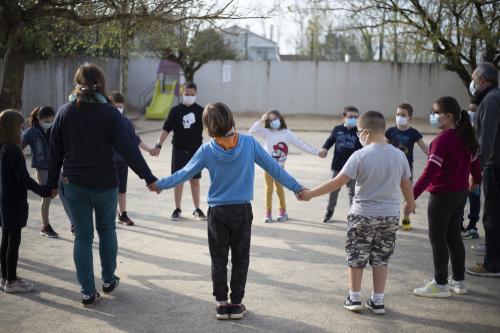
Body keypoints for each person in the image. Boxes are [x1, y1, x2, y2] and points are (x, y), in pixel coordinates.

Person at [150, 103, 305, 320]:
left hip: (217, 213)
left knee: (219, 258)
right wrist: (297, 188)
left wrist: (159, 184)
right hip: (242, 210)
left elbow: (183, 173)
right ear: (231, 119)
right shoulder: (249, 143)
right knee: (241, 258)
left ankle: (222, 304)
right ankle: (237, 302)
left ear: (208, 127)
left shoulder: (206, 150)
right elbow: (274, 168)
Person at [47, 64, 158, 306]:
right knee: (107, 230)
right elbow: (129, 149)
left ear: (77, 83)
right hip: (106, 184)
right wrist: (148, 177)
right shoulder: (109, 113)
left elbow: (54, 151)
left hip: (74, 184)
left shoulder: (65, 112)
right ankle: (108, 280)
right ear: (102, 84)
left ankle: (87, 291)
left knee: (83, 237)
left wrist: (51, 184)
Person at [298, 111, 415, 315]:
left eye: (360, 132)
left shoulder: (360, 155)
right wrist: (410, 205)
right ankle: (378, 301)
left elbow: (337, 182)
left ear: (367, 132)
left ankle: (354, 298)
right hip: (389, 216)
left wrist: (310, 194)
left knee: (356, 256)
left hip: (363, 214)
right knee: (381, 258)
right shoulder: (399, 155)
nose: (359, 135)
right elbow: (406, 185)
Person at [411, 97, 481, 298]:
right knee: (453, 237)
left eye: (436, 112)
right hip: (460, 195)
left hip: (442, 196)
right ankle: (458, 281)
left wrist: (411, 197)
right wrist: (476, 180)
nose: (432, 116)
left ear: (448, 116)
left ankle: (440, 283)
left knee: (438, 238)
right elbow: (476, 166)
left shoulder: (442, 140)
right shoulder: (465, 137)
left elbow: (429, 172)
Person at [0, 109, 52, 293]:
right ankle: (12, 281)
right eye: (20, 126)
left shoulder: (3, 147)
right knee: (13, 240)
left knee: (6, 238)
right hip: (13, 201)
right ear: (13, 127)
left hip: (4, 200)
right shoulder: (13, 150)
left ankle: (5, 277)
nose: (23, 129)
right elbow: (23, 178)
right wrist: (43, 190)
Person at [249, 109, 321, 222]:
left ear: (280, 118)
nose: (273, 121)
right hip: (268, 167)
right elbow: (252, 132)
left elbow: (301, 144)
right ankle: (268, 213)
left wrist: (317, 152)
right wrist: (261, 120)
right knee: (268, 190)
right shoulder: (267, 132)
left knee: (279, 189)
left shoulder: (287, 133)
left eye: (275, 119)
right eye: (270, 119)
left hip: (280, 167)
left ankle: (283, 211)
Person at [150, 82, 206, 221]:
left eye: (192, 94)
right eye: (187, 94)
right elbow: (166, 129)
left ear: (196, 94)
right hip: (179, 150)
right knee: (178, 180)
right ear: (182, 94)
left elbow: (209, 129)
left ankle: (197, 209)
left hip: (196, 152)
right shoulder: (175, 111)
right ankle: (177, 208)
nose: (189, 96)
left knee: (195, 180)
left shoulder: (201, 111)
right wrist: (158, 144)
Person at [466, 62, 500, 277]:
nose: (473, 83)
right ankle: (494, 250)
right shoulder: (495, 96)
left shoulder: (490, 100)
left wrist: (476, 172)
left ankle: (492, 264)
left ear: (482, 79)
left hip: (494, 166)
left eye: (474, 78)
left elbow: (486, 140)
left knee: (492, 216)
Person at [109, 91, 154, 226]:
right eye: (115, 106)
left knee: (122, 189)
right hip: (109, 162)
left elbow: (135, 140)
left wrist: (150, 150)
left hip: (123, 161)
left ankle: (123, 214)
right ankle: (111, 214)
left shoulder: (127, 123)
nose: (118, 109)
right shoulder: (105, 122)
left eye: (120, 106)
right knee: (111, 190)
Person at [385, 102, 428, 231]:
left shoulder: (414, 133)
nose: (399, 117)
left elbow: (427, 150)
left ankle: (406, 218)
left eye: (403, 115)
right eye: (398, 114)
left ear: (410, 118)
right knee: (390, 195)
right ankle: (390, 219)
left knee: (408, 195)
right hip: (391, 168)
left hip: (406, 169)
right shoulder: (390, 131)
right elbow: (383, 148)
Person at [319, 106, 362, 223]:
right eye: (350, 117)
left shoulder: (359, 132)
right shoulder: (337, 129)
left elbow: (365, 148)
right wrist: (324, 148)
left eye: (355, 117)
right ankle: (329, 211)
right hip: (337, 166)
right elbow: (330, 140)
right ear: (343, 118)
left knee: (352, 191)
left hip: (353, 167)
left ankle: (354, 214)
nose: (353, 119)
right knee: (333, 189)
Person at [21, 106, 59, 238]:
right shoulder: (31, 132)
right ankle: (46, 226)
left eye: (51, 121)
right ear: (39, 119)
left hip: (57, 167)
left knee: (66, 192)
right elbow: (19, 146)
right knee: (47, 197)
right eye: (46, 121)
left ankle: (74, 223)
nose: (49, 124)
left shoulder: (55, 129)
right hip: (42, 168)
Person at [461, 102, 481, 240]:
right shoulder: (464, 132)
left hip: (476, 173)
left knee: (474, 198)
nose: (471, 113)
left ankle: (472, 226)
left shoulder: (483, 129)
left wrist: (476, 177)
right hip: (463, 174)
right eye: (469, 110)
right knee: (461, 200)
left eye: (474, 110)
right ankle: (458, 225)